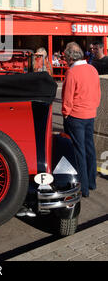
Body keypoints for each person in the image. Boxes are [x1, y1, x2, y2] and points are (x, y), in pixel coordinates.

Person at [62, 42, 101, 197]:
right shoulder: (92, 69)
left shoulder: (72, 73)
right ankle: (91, 182)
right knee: (89, 149)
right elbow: (98, 93)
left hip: (76, 116)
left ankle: (83, 187)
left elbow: (67, 97)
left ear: (70, 58)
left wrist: (66, 113)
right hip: (90, 114)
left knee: (79, 152)